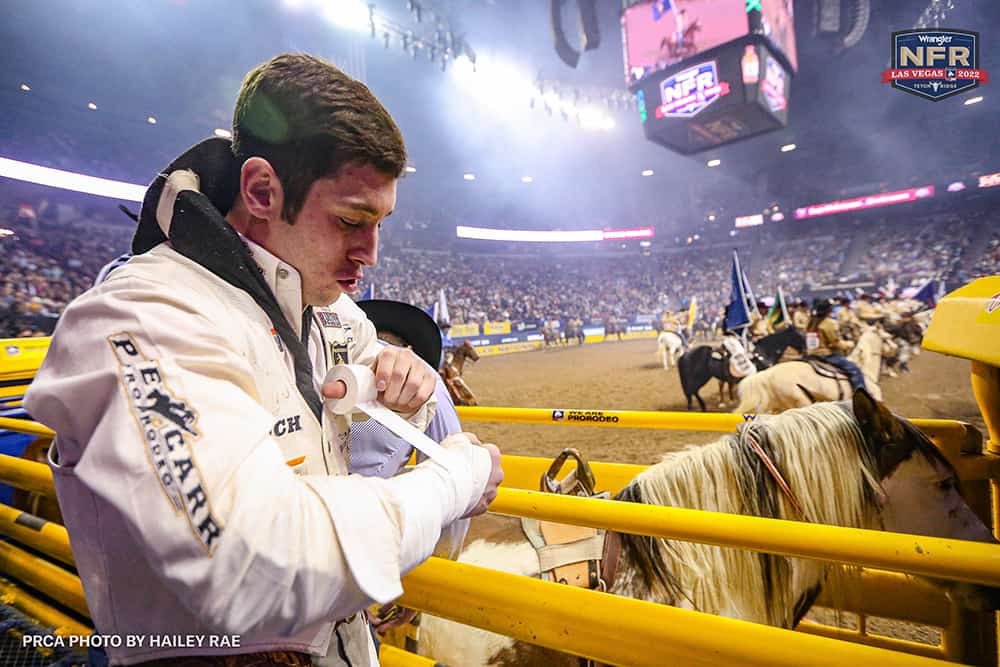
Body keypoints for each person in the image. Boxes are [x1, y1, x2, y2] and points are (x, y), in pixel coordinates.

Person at [24, 53, 503, 667]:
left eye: (380, 223)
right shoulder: (138, 316)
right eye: (351, 220)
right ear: (260, 191)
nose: (372, 253)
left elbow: (347, 361)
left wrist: (389, 371)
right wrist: (450, 483)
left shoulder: (329, 306)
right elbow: (249, 565)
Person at [350, 299, 466, 638]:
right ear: (410, 348)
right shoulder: (423, 378)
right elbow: (453, 473)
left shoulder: (314, 363)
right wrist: (425, 585)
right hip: (357, 549)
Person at [806, 299, 867, 391]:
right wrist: (849, 344)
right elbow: (835, 343)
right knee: (855, 370)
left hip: (810, 354)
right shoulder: (828, 323)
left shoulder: (811, 321)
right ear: (829, 310)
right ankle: (862, 395)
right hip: (824, 355)